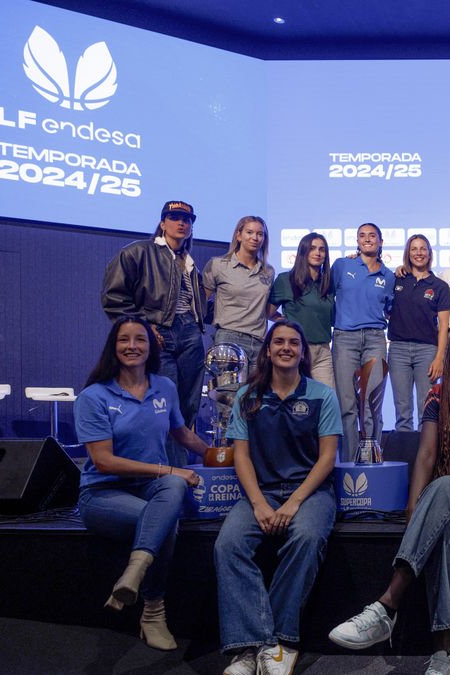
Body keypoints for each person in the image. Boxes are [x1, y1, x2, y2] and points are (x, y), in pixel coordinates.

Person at [328, 323, 450, 675]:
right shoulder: (438, 394)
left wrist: (439, 488)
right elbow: (426, 455)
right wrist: (414, 504)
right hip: (445, 498)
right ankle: (442, 654)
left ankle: (387, 604)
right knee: (445, 535)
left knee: (445, 488)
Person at [74, 316, 209, 651]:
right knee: (165, 519)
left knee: (173, 488)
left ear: (151, 347)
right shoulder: (94, 396)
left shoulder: (164, 387)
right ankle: (153, 612)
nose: (132, 346)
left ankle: (133, 574)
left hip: (148, 488)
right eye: (124, 340)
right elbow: (104, 461)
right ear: (113, 346)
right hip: (102, 493)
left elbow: (181, 433)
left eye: (140, 339)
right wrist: (169, 470)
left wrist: (219, 456)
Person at [216, 320, 342, 675]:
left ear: (302, 353)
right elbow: (241, 457)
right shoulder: (248, 396)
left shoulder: (322, 395)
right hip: (263, 491)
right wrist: (258, 503)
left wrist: (294, 502)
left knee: (306, 537)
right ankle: (252, 646)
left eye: (294, 343)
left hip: (310, 492)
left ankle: (280, 643)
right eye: (279, 342)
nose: (286, 347)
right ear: (268, 351)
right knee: (228, 545)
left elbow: (327, 459)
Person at [101, 200, 206, 467]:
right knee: (162, 404)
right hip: (160, 333)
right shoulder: (138, 252)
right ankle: (162, 471)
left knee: (187, 407)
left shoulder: (190, 264)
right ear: (162, 223)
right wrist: (144, 329)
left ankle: (178, 470)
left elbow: (197, 306)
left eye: (187, 219)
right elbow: (114, 297)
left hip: (191, 334)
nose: (181, 222)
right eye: (174, 217)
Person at [330, 223, 395, 461]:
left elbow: (390, 310)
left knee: (371, 405)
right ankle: (349, 463)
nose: (367, 239)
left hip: (375, 339)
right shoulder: (342, 265)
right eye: (362, 236)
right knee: (347, 405)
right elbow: (325, 295)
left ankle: (371, 460)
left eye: (372, 236)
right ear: (357, 241)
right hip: (344, 339)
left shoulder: (388, 276)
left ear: (380, 241)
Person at [388, 235, 450, 431]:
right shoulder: (396, 279)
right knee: (402, 411)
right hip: (398, 350)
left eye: (423, 249)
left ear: (429, 253)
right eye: (414, 249)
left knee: (427, 409)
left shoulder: (439, 286)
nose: (419, 253)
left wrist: (440, 358)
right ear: (408, 253)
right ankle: (405, 448)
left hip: (427, 351)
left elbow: (444, 325)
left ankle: (427, 450)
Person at [203, 215, 275, 372]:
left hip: (259, 341)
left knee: (256, 389)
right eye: (249, 232)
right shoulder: (218, 265)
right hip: (229, 338)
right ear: (238, 235)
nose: (255, 237)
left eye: (260, 234)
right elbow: (201, 302)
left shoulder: (268, 271)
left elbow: (264, 309)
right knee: (230, 388)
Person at [269, 233, 335, 388]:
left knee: (328, 396)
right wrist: (287, 324)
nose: (318, 253)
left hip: (323, 351)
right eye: (312, 248)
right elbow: (268, 312)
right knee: (296, 396)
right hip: (296, 348)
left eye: (322, 249)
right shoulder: (286, 280)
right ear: (303, 251)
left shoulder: (328, 283)